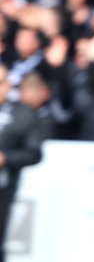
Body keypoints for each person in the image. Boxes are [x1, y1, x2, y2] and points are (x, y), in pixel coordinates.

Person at [0, 64, 41, 262]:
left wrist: (6, 158)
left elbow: (34, 153)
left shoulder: (23, 114)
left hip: (3, 188)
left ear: (8, 84)